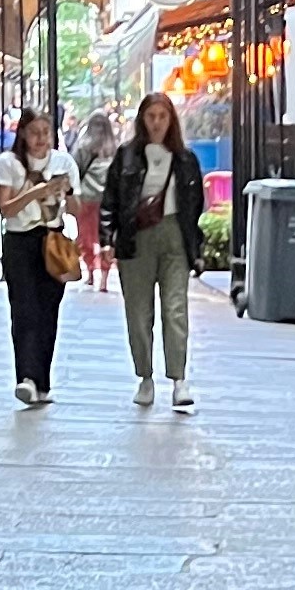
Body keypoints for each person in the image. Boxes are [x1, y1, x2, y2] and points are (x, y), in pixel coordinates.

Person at [104, 87, 205, 411]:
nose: (157, 122)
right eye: (151, 116)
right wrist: (107, 238)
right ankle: (145, 377)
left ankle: (179, 379)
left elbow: (195, 204)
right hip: (136, 236)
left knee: (175, 308)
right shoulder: (127, 156)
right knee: (138, 311)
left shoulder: (185, 159)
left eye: (162, 116)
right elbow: (111, 198)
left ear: (171, 120)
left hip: (175, 235)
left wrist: (195, 245)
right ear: (142, 119)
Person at [0, 107, 75, 406]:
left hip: (53, 239)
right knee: (24, 308)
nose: (41, 139)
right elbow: (6, 209)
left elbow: (77, 205)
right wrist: (35, 192)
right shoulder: (8, 163)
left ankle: (42, 382)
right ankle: (25, 377)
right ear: (23, 134)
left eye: (46, 133)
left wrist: (65, 193)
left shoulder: (63, 162)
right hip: (20, 240)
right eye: (35, 132)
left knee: (48, 311)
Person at [73, 109, 117, 292]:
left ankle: (91, 272)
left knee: (86, 238)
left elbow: (75, 171)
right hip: (108, 200)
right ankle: (104, 278)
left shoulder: (82, 147)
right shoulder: (114, 148)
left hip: (86, 198)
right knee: (106, 238)